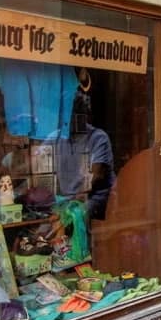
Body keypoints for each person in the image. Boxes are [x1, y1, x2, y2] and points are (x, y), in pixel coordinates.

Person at [55, 89, 115, 221]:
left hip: (93, 200)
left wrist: (73, 199)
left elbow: (96, 175)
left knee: (73, 217)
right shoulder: (58, 137)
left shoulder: (98, 138)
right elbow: (36, 159)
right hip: (67, 200)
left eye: (71, 115)